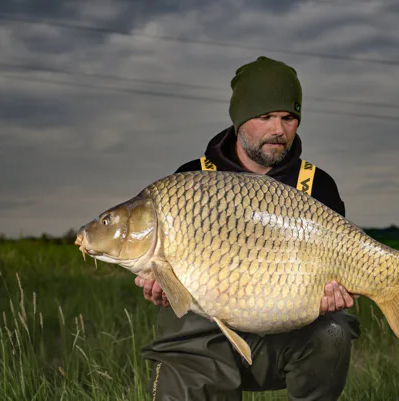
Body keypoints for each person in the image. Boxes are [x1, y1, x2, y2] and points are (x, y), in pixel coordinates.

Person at [135, 56, 361, 401]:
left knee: (334, 329)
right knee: (186, 332)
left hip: (282, 339)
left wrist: (335, 297)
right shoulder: (190, 180)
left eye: (288, 118)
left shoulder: (317, 185)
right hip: (204, 343)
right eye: (265, 117)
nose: (278, 130)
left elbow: (339, 275)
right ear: (239, 119)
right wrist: (164, 288)